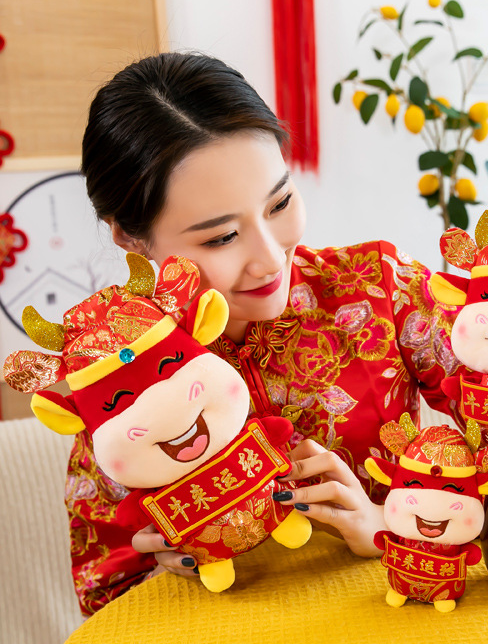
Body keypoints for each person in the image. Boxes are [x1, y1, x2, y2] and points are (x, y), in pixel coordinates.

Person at [70, 51, 461, 615]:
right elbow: (102, 592)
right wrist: (160, 567)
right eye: (221, 237)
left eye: (280, 202)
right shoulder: (111, 371)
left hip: (409, 620)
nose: (270, 258)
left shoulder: (379, 288)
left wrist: (392, 524)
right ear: (131, 238)